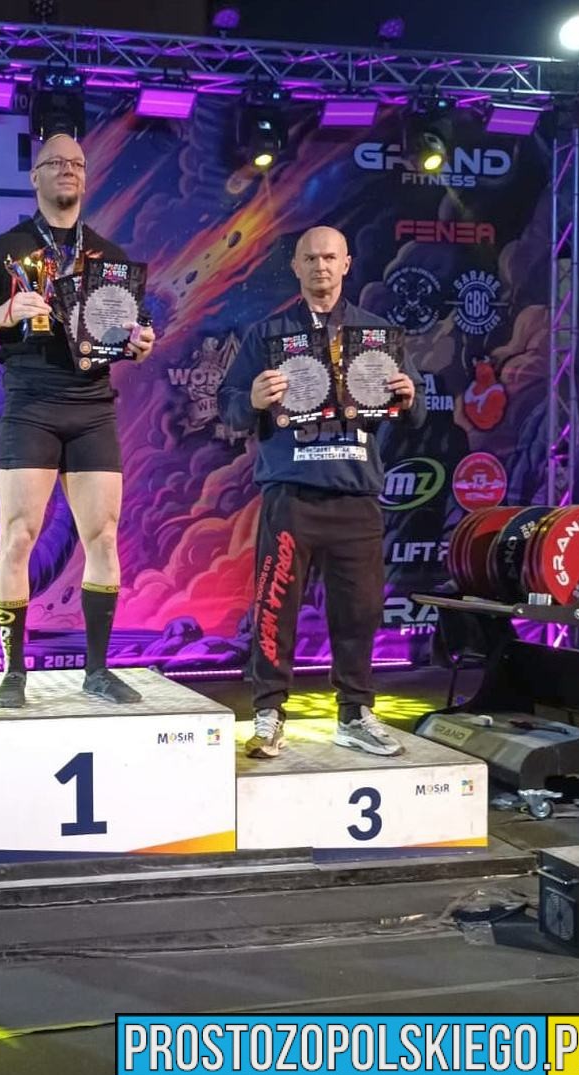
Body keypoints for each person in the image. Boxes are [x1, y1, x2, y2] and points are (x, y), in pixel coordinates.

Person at [0, 132, 156, 709]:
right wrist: (4, 310)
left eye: (76, 163)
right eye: (55, 162)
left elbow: (129, 332)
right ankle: (13, 672)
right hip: (31, 403)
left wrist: (140, 342)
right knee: (17, 536)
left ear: (86, 176)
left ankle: (97, 671)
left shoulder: (109, 257)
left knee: (102, 537)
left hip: (93, 406)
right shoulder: (4, 252)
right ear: (34, 176)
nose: (67, 170)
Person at [217, 226, 427, 759]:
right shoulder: (268, 334)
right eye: (310, 258)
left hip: (356, 495)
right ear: (295, 266)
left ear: (346, 263)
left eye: (330, 257)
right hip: (292, 497)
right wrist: (253, 399)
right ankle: (268, 713)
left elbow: (417, 410)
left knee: (359, 612)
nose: (321, 266)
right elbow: (229, 405)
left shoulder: (377, 334)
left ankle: (355, 714)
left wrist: (409, 396)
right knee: (275, 611)